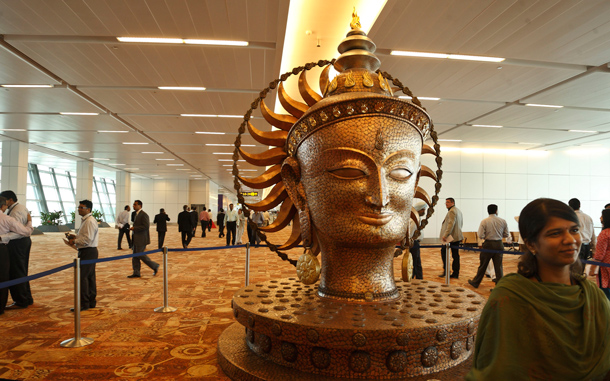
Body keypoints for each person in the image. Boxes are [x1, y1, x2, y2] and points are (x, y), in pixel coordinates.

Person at [467, 198, 610, 380]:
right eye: (555, 233)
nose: (570, 240)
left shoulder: (593, 296)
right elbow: (497, 367)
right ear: (532, 244)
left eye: (574, 230)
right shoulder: (511, 298)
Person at [0, 190, 34, 309]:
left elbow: (20, 233)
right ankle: (26, 298)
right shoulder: (17, 208)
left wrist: (2, 237)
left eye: (4, 200)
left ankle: (21, 300)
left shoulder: (16, 211)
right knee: (20, 270)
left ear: (10, 200)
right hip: (19, 242)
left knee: (17, 271)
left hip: (18, 243)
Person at [63, 200, 98, 311]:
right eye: (78, 207)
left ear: (89, 209)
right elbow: (85, 236)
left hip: (88, 251)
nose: (79, 209)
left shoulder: (89, 221)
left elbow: (87, 240)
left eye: (82, 207)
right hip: (89, 251)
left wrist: (74, 241)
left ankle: (84, 303)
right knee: (89, 277)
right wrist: (75, 237)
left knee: (83, 278)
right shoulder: (86, 220)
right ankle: (90, 301)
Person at [468, 204, 510, 289]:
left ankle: (476, 282)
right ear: (496, 211)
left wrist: (486, 236)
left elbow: (480, 235)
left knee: (483, 265)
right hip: (499, 244)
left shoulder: (484, 221)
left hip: (488, 244)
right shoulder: (503, 221)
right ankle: (499, 286)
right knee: (498, 266)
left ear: (488, 211)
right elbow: (506, 234)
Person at [127, 200, 159, 278]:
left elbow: (146, 226)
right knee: (135, 256)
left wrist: (135, 228)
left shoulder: (144, 215)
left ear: (140, 206)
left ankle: (154, 265)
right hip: (136, 238)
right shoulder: (136, 214)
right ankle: (136, 272)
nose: (133, 206)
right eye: (133, 204)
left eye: (135, 205)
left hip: (141, 239)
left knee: (140, 254)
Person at [438, 197, 463, 279]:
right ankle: (455, 273)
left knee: (444, 253)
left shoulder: (452, 211)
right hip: (456, 236)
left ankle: (447, 270)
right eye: (446, 202)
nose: (446, 204)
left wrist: (445, 235)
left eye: (448, 202)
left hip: (451, 237)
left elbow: (450, 224)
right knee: (455, 255)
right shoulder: (458, 210)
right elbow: (460, 223)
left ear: (453, 203)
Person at [568, 198, 596, 266]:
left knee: (574, 269)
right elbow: (592, 234)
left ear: (569, 206)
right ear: (579, 205)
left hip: (576, 245)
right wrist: (594, 249)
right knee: (581, 269)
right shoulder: (588, 217)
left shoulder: (571, 217)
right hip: (587, 246)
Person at [590, 209, 610, 300]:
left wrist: (592, 267)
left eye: (601, 216)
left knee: (605, 290)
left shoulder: (604, 233)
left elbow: (600, 255)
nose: (600, 218)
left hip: (605, 267)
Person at [409, 202, 427, 279]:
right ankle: (414, 278)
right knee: (415, 263)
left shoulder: (416, 218)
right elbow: (411, 232)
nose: (424, 212)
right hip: (414, 243)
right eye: (423, 210)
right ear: (419, 210)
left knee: (417, 262)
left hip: (414, 243)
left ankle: (419, 278)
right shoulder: (415, 219)